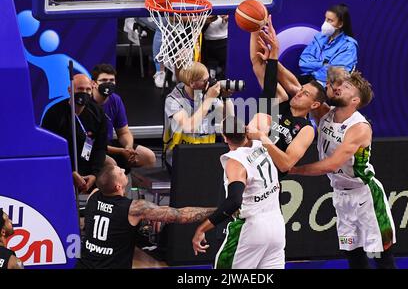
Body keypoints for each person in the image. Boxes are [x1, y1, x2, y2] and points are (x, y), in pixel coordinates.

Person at [290, 71, 397, 269]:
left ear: (355, 100)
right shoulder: (324, 113)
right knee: (353, 257)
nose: (339, 88)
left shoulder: (359, 127)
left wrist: (292, 169)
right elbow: (297, 88)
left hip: (366, 196)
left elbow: (332, 164)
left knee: (381, 257)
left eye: (346, 88)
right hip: (341, 196)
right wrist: (273, 60)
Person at [76, 164, 216, 269]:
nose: (124, 170)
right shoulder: (135, 209)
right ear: (118, 186)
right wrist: (221, 210)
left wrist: (151, 214)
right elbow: (181, 215)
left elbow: (113, 218)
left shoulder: (93, 196)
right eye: (121, 172)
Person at [192, 117, 285, 269]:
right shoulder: (262, 145)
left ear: (224, 137)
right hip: (277, 225)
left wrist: (202, 228)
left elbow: (234, 201)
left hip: (252, 228)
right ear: (246, 131)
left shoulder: (235, 161)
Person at [247, 15, 326, 177]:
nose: (298, 94)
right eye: (300, 89)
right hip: (246, 168)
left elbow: (285, 164)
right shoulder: (281, 101)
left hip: (267, 183)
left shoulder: (306, 129)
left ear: (314, 105)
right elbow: (258, 63)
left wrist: (262, 138)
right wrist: (255, 27)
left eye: (305, 94)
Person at [42, 74, 107, 193]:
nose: (84, 92)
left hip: (88, 161)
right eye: (80, 89)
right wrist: (70, 171)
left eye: (88, 89)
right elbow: (48, 149)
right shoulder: (54, 114)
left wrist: (94, 174)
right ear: (70, 90)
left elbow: (101, 147)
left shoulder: (97, 113)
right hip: (63, 165)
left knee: (111, 167)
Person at [163, 61, 234, 171]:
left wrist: (225, 98)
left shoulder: (208, 94)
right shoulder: (173, 100)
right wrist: (209, 99)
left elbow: (229, 121)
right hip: (179, 157)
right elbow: (189, 127)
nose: (209, 83)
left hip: (206, 154)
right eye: (205, 81)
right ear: (192, 83)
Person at [174, 0, 240, 79]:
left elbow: (240, 10)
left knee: (228, 80)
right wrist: (199, 19)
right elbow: (173, 16)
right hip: (194, 38)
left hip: (224, 39)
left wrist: (231, 15)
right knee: (187, 74)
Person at [91, 64, 156, 173]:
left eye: (112, 80)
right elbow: (94, 145)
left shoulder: (116, 100)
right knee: (112, 166)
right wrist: (121, 151)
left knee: (148, 157)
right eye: (103, 80)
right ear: (94, 83)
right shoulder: (87, 104)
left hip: (111, 145)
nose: (108, 83)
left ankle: (134, 182)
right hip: (93, 149)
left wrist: (128, 147)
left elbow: (123, 132)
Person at [299, 4, 358, 86]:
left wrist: (314, 69)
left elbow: (336, 74)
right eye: (325, 19)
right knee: (278, 86)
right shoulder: (319, 37)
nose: (325, 23)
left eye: (330, 20)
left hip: (327, 86)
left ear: (340, 24)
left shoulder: (349, 45)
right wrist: (323, 64)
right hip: (308, 79)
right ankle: (274, 99)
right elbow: (303, 63)